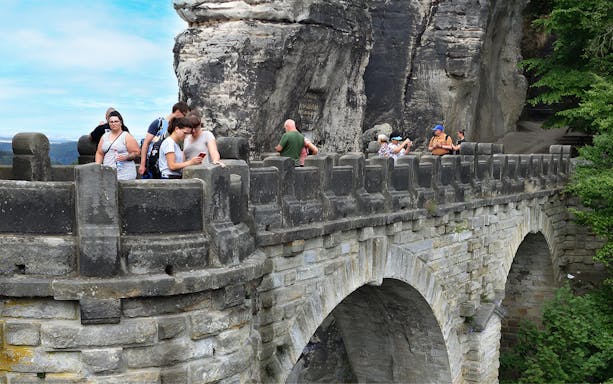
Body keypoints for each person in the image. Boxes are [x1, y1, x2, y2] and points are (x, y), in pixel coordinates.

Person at [139, 101, 190, 177]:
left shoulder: (179, 127)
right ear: (178, 112)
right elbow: (146, 143)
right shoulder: (159, 123)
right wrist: (142, 165)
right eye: (185, 115)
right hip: (155, 161)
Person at [95, 111, 140, 180]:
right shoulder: (104, 136)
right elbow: (99, 153)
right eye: (111, 122)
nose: (113, 124)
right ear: (108, 123)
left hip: (125, 175)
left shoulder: (126, 136)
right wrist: (97, 166)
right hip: (108, 174)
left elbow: (137, 153)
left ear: (121, 123)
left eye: (116, 121)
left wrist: (126, 157)